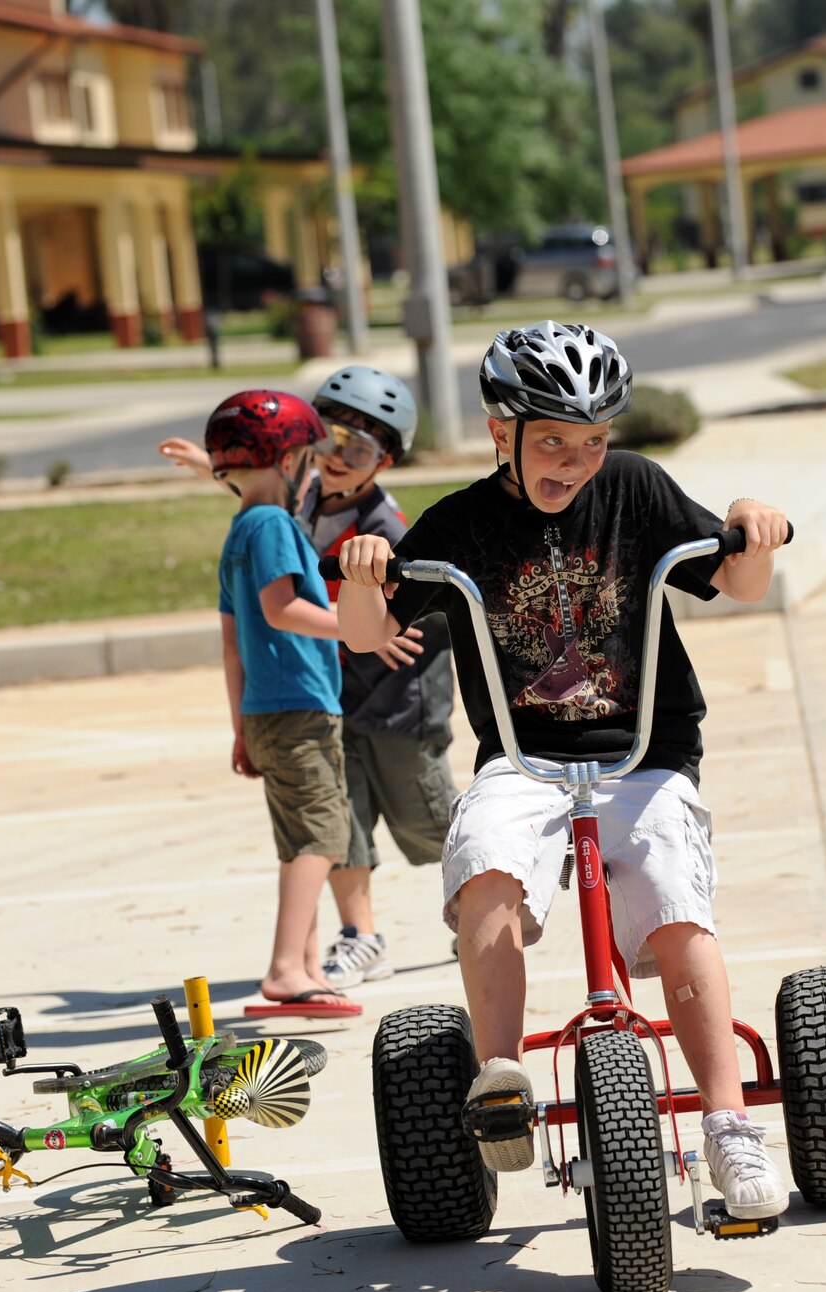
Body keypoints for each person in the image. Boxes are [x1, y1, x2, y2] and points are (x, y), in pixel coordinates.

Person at [334, 321, 794, 1220]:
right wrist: (363, 571)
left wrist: (754, 532)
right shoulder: (461, 524)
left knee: (672, 890)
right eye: (551, 441)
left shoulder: (637, 490)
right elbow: (362, 631)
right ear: (499, 431)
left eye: (591, 442)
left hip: (644, 756)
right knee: (486, 865)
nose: (575, 461)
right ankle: (501, 1075)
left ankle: (731, 1126)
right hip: (524, 760)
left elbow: (737, 583)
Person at [162, 367, 459, 991]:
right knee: (340, 819)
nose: (342, 458)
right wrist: (213, 465)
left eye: (363, 448)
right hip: (328, 690)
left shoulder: (386, 527)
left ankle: (488, 890)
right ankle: (361, 936)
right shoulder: (299, 499)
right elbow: (262, 508)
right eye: (334, 441)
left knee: (422, 818)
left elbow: (413, 606)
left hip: (399, 694)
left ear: (385, 461)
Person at [206, 388, 360, 1018]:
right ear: (281, 460)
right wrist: (354, 627)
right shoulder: (271, 524)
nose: (310, 470)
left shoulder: (239, 531)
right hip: (298, 707)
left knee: (302, 841)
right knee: (325, 835)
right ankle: (284, 970)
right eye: (304, 455)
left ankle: (307, 965)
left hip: (267, 713)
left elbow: (232, 644)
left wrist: (241, 727)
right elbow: (279, 609)